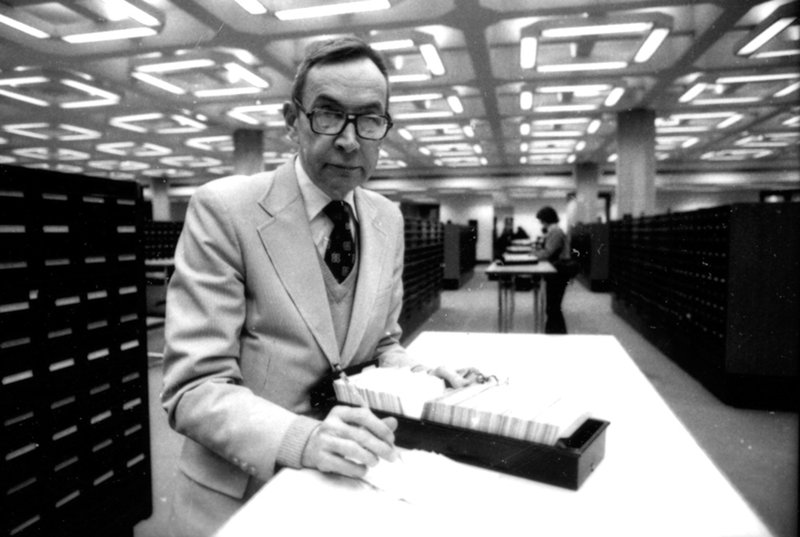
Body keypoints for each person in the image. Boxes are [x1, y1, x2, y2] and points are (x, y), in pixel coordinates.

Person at [161, 36, 480, 537]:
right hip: (243, 497)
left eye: (369, 120)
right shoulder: (225, 210)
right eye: (328, 115)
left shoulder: (385, 219)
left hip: (346, 488)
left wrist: (423, 374)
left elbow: (381, 345)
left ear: (383, 129)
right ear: (293, 121)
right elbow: (194, 389)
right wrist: (302, 440)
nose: (350, 140)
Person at [533, 206, 570, 334]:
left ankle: (557, 335)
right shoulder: (553, 231)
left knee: (553, 307)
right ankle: (553, 333)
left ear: (546, 220)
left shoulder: (555, 232)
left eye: (541, 220)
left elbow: (548, 253)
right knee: (553, 307)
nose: (540, 223)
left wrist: (533, 254)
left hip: (558, 272)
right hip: (555, 271)